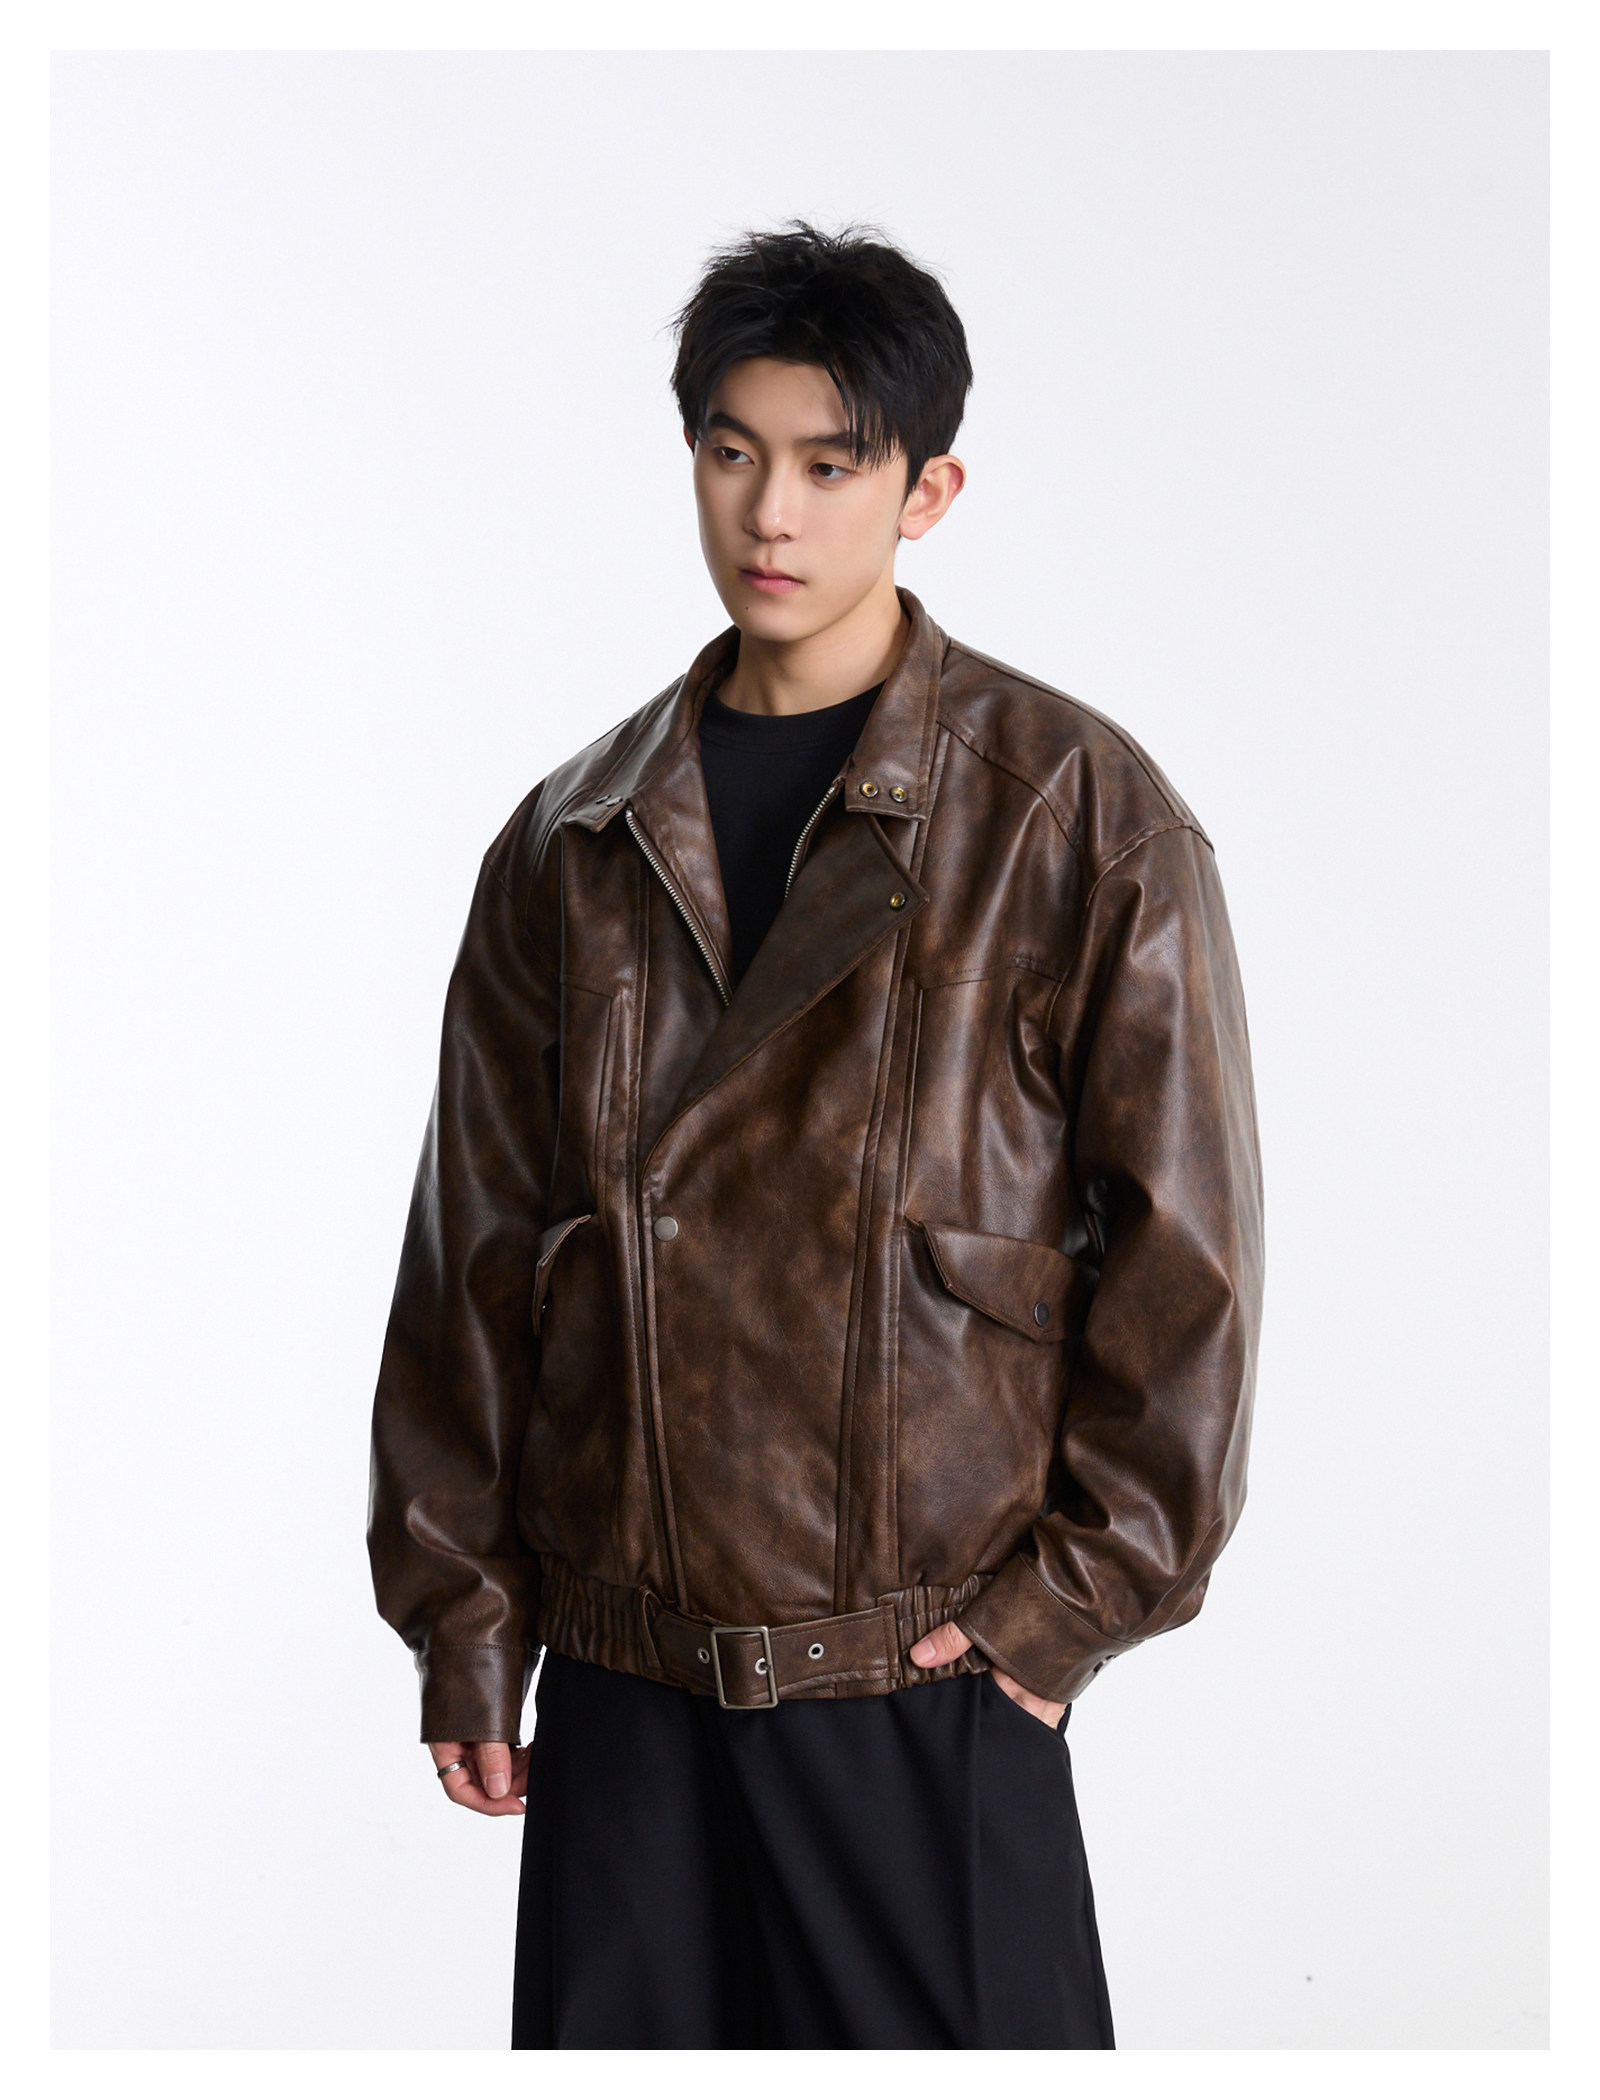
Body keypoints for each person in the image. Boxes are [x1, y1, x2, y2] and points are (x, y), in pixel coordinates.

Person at [367, 221, 1264, 2050]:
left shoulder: (1075, 819)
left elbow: (1189, 1263)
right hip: (622, 1687)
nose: (770, 512)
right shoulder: (573, 838)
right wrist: (466, 1619)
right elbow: (470, 1251)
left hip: (917, 1685)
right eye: (731, 450)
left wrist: (1060, 1614)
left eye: (831, 464)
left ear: (929, 490)